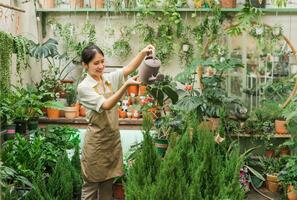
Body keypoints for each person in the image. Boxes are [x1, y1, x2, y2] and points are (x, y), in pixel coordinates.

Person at [77, 44, 155, 200]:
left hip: (111, 140)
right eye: (96, 63)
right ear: (85, 65)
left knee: (108, 185)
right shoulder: (84, 87)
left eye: (102, 61)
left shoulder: (107, 79)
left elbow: (128, 69)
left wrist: (142, 53)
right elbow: (106, 105)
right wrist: (126, 86)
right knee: (91, 187)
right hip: (96, 143)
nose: (101, 66)